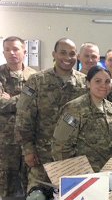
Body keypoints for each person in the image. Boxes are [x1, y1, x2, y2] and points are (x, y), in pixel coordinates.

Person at [15, 38, 87, 191]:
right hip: (42, 156)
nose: (68, 58)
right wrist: (28, 149)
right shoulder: (37, 80)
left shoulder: (84, 83)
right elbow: (24, 117)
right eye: (63, 53)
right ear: (54, 54)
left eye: (72, 54)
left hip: (74, 157)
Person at [52, 66, 112, 171]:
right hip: (83, 174)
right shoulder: (74, 108)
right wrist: (71, 175)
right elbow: (60, 146)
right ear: (88, 83)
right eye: (98, 81)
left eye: (107, 81)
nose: (103, 85)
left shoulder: (111, 109)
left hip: (108, 172)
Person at [0, 36, 37, 196]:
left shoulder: (35, 76)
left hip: (29, 140)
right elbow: (1, 104)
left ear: (24, 51)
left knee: (32, 186)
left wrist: (11, 98)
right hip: (5, 142)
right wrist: (25, 97)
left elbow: (37, 105)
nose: (11, 53)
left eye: (15, 49)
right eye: (7, 50)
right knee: (5, 188)